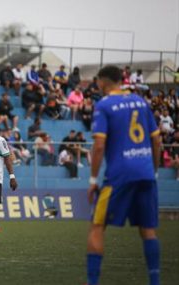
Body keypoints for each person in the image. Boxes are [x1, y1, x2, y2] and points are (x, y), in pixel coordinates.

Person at [86, 65, 162, 285]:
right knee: (148, 230)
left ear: (102, 81)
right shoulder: (141, 101)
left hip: (119, 175)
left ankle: (92, 282)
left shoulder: (104, 105)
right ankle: (155, 281)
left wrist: (93, 180)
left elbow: (99, 145)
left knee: (97, 225)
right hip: (146, 173)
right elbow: (156, 140)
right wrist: (154, 170)